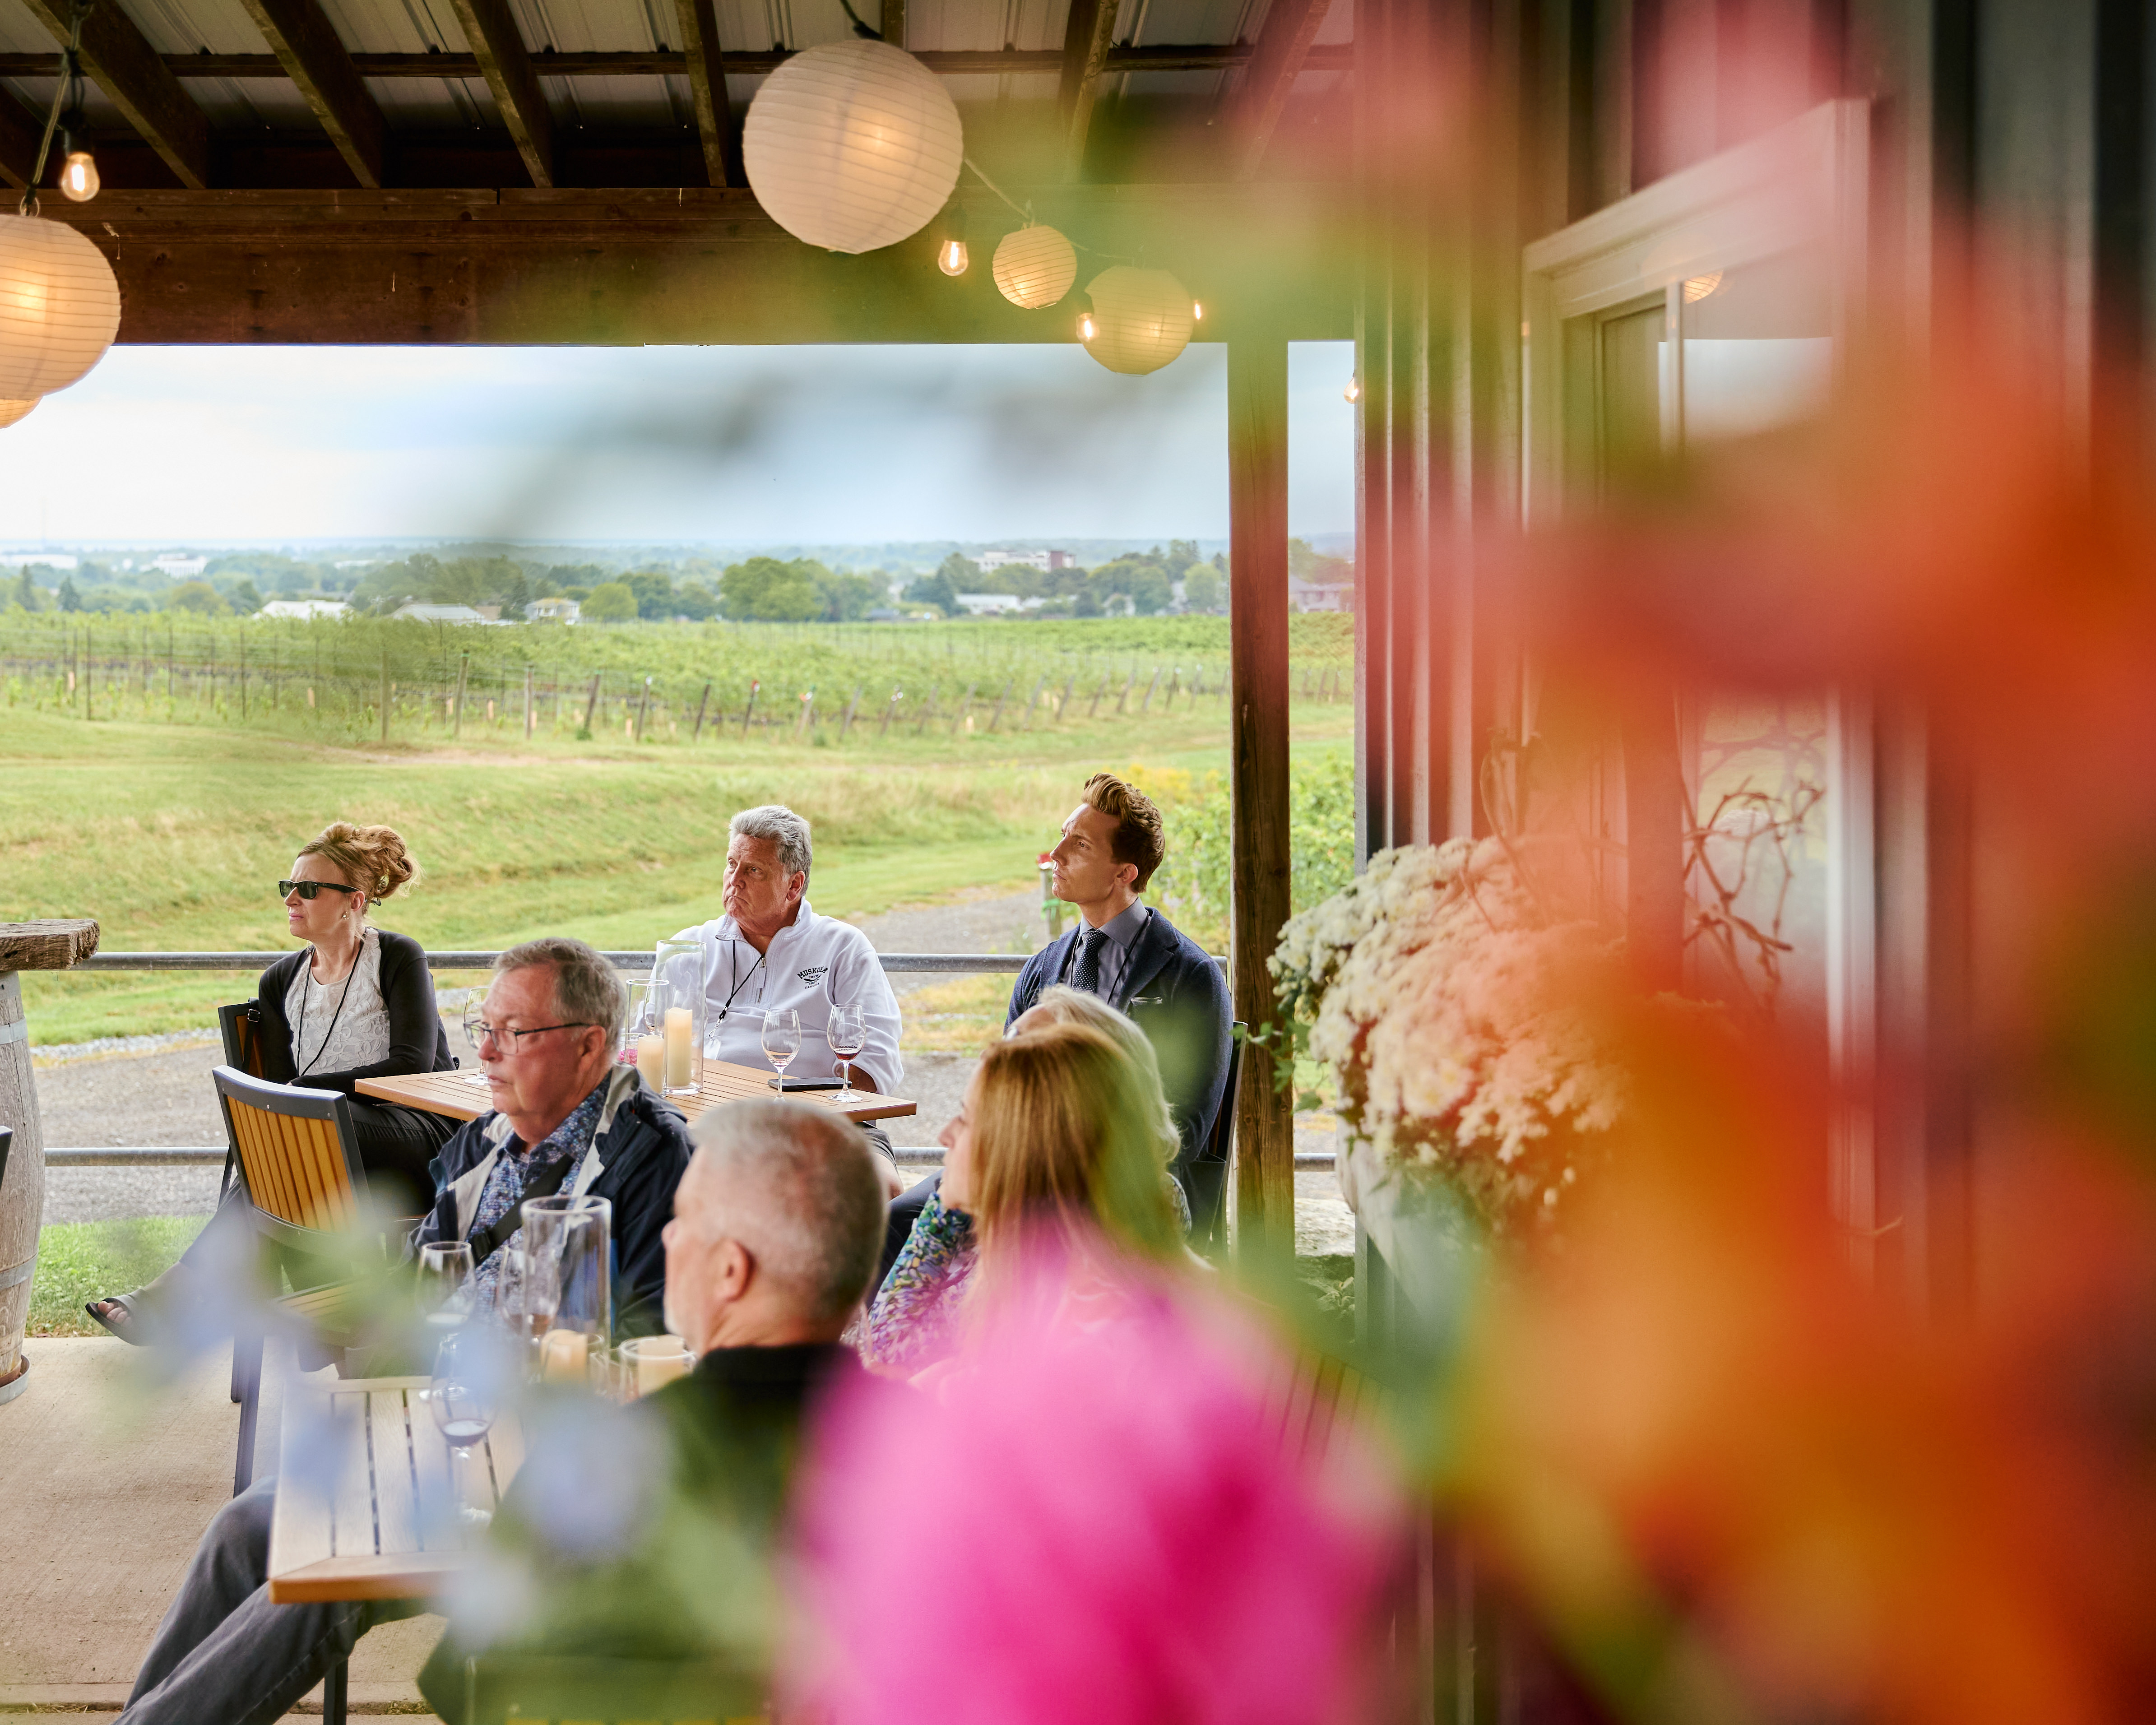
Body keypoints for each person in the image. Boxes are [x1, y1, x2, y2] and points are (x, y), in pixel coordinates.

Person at [112, 1097, 878, 1725]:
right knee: (252, 1527)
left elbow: (475, 1688)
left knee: (340, 1554)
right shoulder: (903, 1437)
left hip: (515, 1498)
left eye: (685, 1219)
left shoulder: (645, 1449)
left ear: (731, 1269)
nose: (667, 1235)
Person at [89, 821, 456, 1343]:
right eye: (288, 886)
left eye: (308, 888)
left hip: (419, 1137)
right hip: (329, 1152)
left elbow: (412, 1065)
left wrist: (310, 1093)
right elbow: (282, 1096)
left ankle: (182, 1294)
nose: (291, 899)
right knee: (291, 1134)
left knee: (302, 1127)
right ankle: (217, 1298)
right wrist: (303, 1100)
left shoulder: (397, 957)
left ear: (354, 902)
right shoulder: (281, 980)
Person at [879, 772, 1232, 1278]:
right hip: (1014, 1176)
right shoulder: (1043, 967)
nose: (1056, 853)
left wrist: (1063, 1181)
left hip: (1123, 1192)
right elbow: (1000, 1089)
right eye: (1064, 835)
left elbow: (1186, 1131)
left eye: (1080, 844)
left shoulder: (1190, 976)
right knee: (891, 1224)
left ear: (1124, 873)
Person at [861, 1019, 1183, 1379]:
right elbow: (888, 1352)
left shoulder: (1081, 1310)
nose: (944, 1134)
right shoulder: (1019, 1250)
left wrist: (936, 1382)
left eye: (966, 1119)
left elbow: (890, 1357)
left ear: (1020, 1142)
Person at [413, 936, 692, 1336]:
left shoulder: (654, 1157)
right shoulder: (480, 1141)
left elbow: (650, 1342)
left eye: (513, 1031)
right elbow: (414, 1281)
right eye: (485, 1028)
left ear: (588, 1046)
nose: (485, 1052)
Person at [667, 805, 905, 1188]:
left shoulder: (843, 947)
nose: (734, 881)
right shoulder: (689, 947)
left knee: (882, 1188)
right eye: (731, 865)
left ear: (794, 886)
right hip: (708, 1120)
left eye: (753, 871)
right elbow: (645, 1043)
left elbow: (875, 1063)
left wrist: (813, 1121)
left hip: (824, 1124)